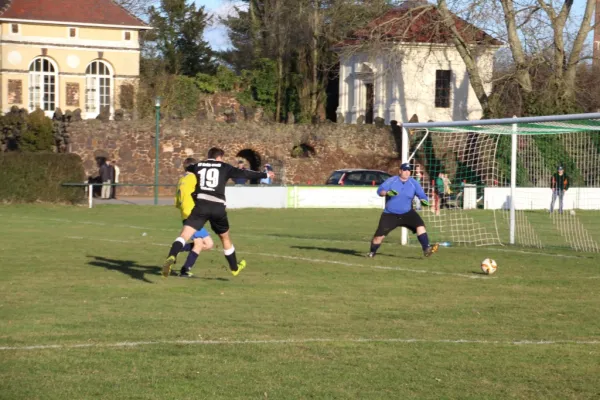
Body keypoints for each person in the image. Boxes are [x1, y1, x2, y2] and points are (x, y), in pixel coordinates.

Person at [162, 147, 275, 278]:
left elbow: (189, 168)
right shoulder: (224, 167)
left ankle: (172, 255)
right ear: (219, 157)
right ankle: (234, 268)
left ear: (208, 155)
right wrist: (265, 174)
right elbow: (244, 173)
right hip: (217, 207)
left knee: (185, 234)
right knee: (225, 238)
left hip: (201, 206)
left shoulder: (198, 166)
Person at [368, 162, 439, 258]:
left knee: (420, 226)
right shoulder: (392, 180)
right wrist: (387, 192)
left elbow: (422, 195)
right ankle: (372, 252)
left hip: (407, 213)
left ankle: (426, 248)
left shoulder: (413, 183)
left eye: (409, 170)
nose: (407, 172)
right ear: (400, 171)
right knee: (378, 237)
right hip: (390, 214)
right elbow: (380, 191)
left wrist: (424, 201)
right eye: (405, 170)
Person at [174, 157, 214, 277]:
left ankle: (183, 265)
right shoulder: (193, 178)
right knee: (204, 244)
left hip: (186, 214)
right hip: (192, 216)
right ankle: (177, 251)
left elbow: (177, 203)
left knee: (204, 244)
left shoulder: (181, 180)